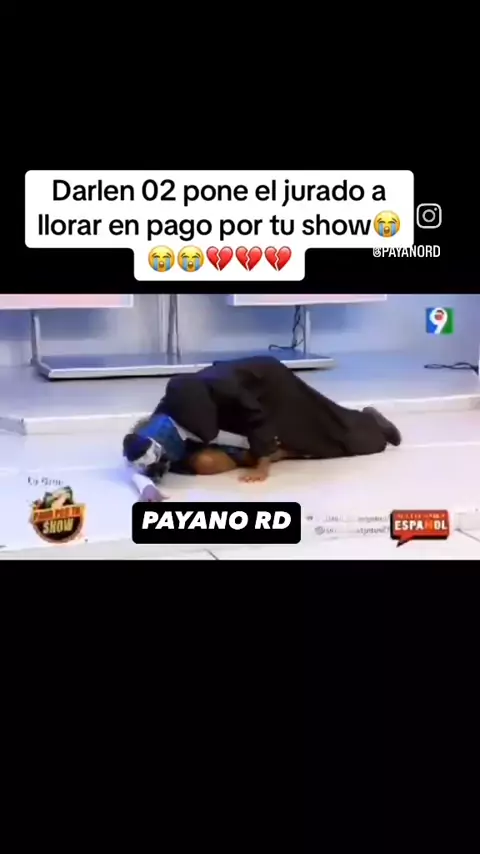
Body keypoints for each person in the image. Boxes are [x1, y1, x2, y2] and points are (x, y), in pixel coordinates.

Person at [123, 356, 402, 500]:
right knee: (306, 437)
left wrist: (263, 462)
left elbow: (254, 413)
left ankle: (372, 425)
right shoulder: (163, 421)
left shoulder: (206, 392)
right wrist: (146, 488)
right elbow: (137, 465)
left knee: (325, 435)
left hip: (267, 386)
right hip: (233, 408)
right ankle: (282, 449)